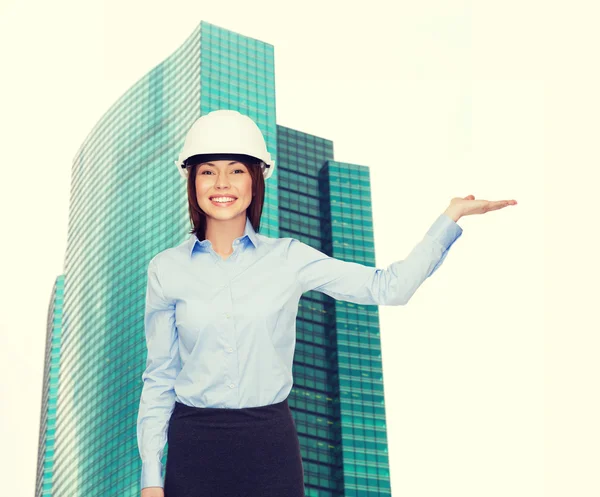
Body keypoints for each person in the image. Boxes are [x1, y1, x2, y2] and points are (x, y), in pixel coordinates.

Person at [137, 109, 517, 497]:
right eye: (208, 171)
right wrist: (151, 477)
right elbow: (160, 375)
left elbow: (388, 288)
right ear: (192, 180)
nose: (222, 183)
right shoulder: (166, 269)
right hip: (194, 446)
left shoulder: (289, 259)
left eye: (236, 170)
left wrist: (449, 217)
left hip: (270, 444)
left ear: (255, 180)